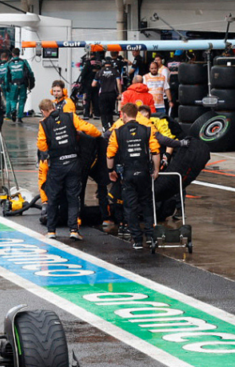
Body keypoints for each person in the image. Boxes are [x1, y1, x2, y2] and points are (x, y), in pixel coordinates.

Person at [39, 98, 101, 241]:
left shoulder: (44, 124)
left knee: (53, 198)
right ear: (54, 107)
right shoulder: (70, 116)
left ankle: (51, 231)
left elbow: (42, 146)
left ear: (43, 111)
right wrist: (98, 135)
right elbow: (89, 129)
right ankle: (74, 230)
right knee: (73, 197)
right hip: (73, 163)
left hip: (57, 165)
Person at [107, 102, 161, 249]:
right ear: (136, 114)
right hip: (144, 173)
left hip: (128, 175)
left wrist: (110, 171)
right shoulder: (147, 130)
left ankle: (137, 240)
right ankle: (150, 237)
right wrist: (156, 170)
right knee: (147, 204)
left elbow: (110, 154)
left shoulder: (117, 132)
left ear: (124, 114)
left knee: (130, 207)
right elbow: (155, 152)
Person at [92, 58, 123, 130]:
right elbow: (118, 83)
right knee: (110, 110)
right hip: (112, 93)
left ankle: (104, 126)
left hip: (102, 93)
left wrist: (100, 84)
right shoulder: (115, 71)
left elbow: (93, 84)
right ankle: (110, 125)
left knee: (103, 111)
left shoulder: (99, 72)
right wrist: (120, 93)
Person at [6, 50, 35, 122]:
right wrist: (31, 83)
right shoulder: (24, 62)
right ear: (19, 54)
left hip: (13, 84)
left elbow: (6, 76)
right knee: (22, 100)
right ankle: (19, 117)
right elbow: (30, 72)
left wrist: (7, 85)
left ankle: (13, 110)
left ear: (12, 54)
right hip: (23, 84)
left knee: (13, 99)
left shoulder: (9, 63)